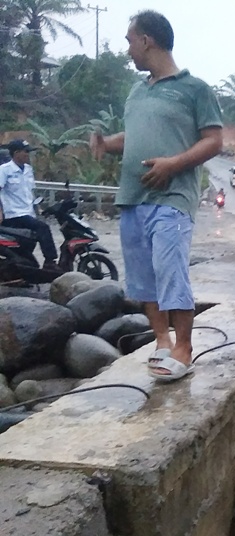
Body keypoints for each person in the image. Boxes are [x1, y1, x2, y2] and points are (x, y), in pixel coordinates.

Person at [90, 10, 223, 382]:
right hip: (132, 198)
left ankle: (184, 347)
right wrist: (106, 142)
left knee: (170, 270)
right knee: (143, 278)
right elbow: (133, 138)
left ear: (147, 40)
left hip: (172, 197)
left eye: (130, 41)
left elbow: (214, 140)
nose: (128, 49)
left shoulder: (195, 89)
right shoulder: (137, 91)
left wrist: (173, 164)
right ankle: (161, 341)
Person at [0, 139, 61, 271]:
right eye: (26, 152)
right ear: (16, 153)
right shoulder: (4, 170)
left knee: (29, 242)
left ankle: (23, 270)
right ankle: (50, 261)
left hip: (28, 213)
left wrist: (38, 208)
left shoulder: (28, 169)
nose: (28, 155)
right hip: (13, 214)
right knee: (43, 228)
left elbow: (30, 192)